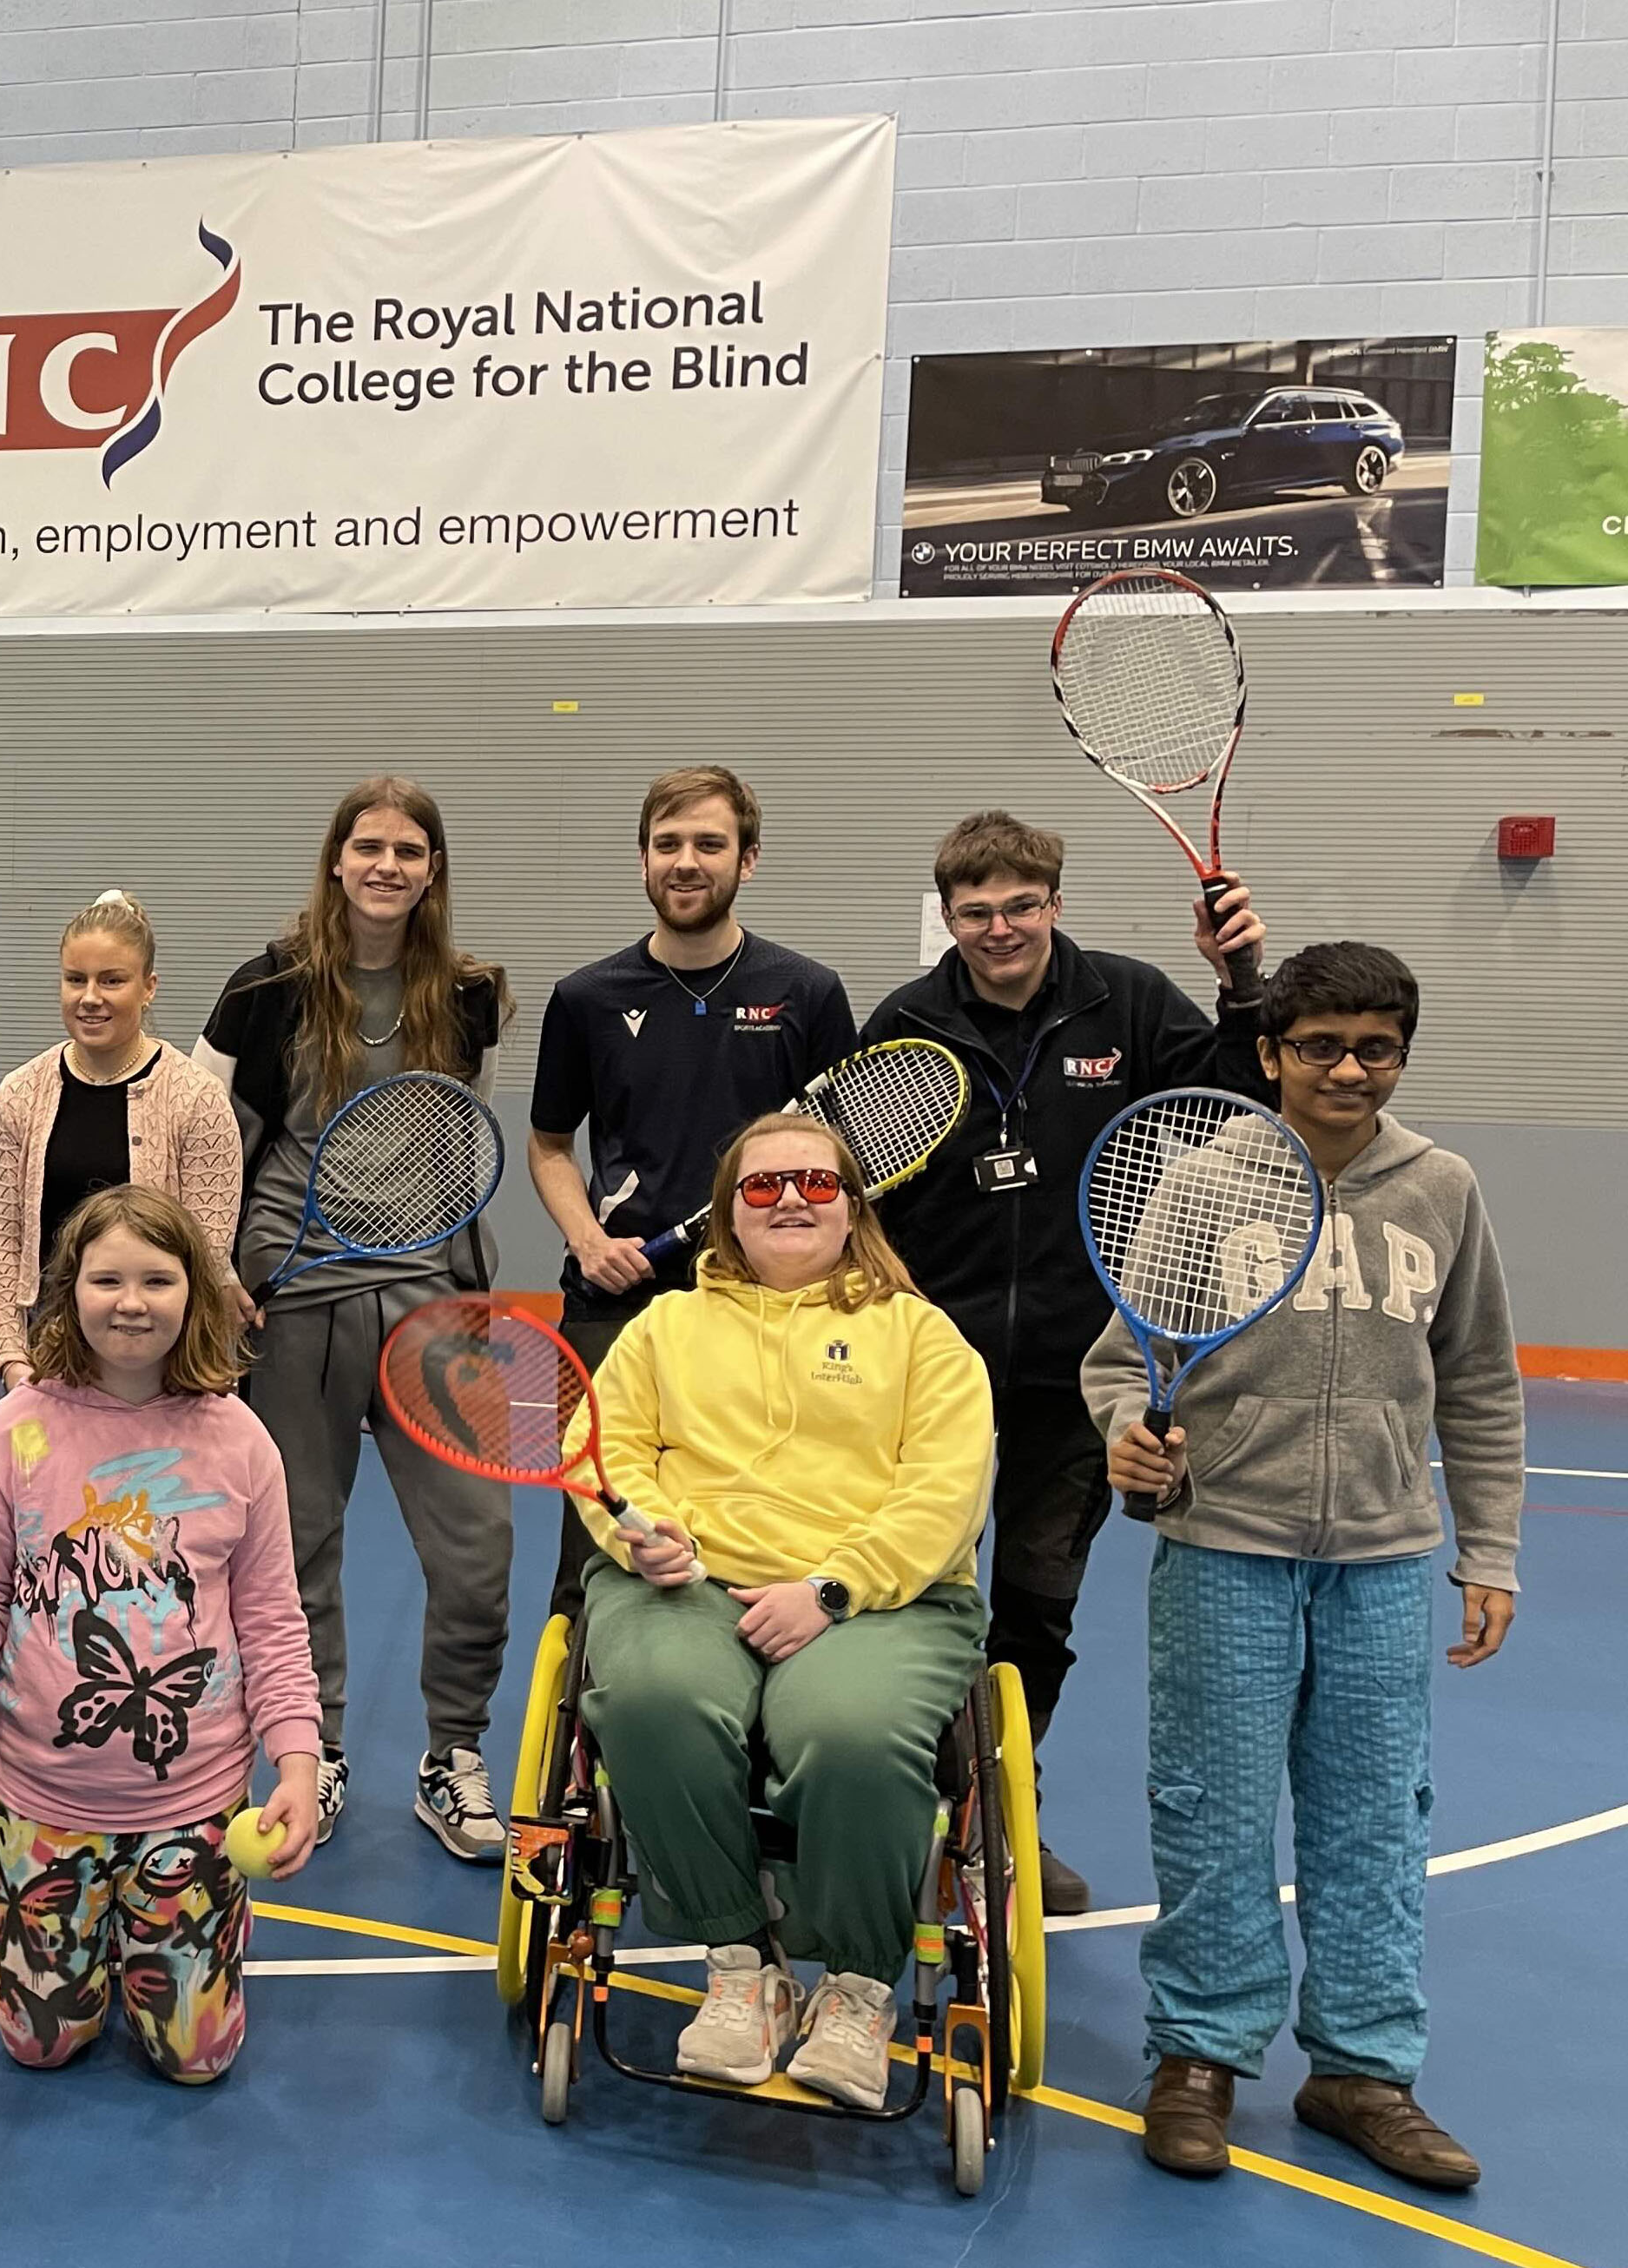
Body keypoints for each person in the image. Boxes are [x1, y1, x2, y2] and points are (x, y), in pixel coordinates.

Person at [1088, 943, 1521, 2193]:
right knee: (1211, 1808)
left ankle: (1361, 2070)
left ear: (1400, 1054)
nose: (1347, 1067)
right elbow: (1126, 1357)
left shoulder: (1442, 1187)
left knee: (1376, 1818)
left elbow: (1481, 1380)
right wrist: (1126, 1434)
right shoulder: (1197, 1183)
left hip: (1385, 1557)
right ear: (1271, 1054)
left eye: (1375, 1046)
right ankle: (1200, 2057)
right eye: (1320, 1044)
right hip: (1224, 1542)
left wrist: (1487, 1546)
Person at [856, 808, 1269, 1914]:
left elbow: (1239, 1109)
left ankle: (1000, 1809)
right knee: (911, 1593)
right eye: (977, 911)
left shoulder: (1126, 1001)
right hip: (929, 1373)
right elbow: (862, 1189)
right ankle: (909, 1804)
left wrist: (1243, 983)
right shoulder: (904, 1023)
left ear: (1055, 902)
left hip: (1079, 1374)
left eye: (1021, 905)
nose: (1000, 928)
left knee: (1036, 1606)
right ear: (947, 917)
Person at [577, 1113, 992, 2109]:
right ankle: (737, 1961)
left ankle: (855, 1987)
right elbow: (606, 1451)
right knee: (652, 1696)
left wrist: (833, 1588)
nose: (792, 1199)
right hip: (686, 1584)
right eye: (762, 1188)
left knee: (847, 1728)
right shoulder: (665, 1328)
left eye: (814, 1182)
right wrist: (644, 1531)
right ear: (727, 1217)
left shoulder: (923, 1336)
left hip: (879, 1599)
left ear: (853, 1208)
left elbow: (943, 1494)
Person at [0, 1183, 319, 2086]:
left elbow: (270, 1619)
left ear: (197, 1294)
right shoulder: (12, 1433)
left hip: (195, 1799)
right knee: (42, 2046)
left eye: (158, 1278)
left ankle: (194, 1928)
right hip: (40, 1795)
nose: (132, 1301)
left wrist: (296, 1762)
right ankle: (87, 1940)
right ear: (69, 1290)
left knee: (197, 2058)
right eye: (107, 1278)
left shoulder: (242, 1441)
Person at [196, 776, 513, 1860]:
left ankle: (452, 1755)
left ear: (433, 870)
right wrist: (215, 1269)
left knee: (478, 1546)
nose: (387, 865)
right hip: (300, 1297)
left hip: (437, 1303)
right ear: (336, 860)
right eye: (368, 846)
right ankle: (313, 1752)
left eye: (409, 850)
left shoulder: (469, 995)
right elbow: (206, 1140)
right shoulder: (265, 987)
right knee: (299, 1548)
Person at [0, 891, 242, 1875]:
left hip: (151, 1380)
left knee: (133, 1580)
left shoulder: (198, 1102)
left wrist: (161, 1365)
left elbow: (199, 1254)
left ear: (149, 987)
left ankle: (168, 1772)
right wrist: (16, 1362)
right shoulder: (20, 1093)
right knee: (16, 1581)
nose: (90, 995)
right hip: (41, 1376)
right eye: (75, 978)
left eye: (111, 979)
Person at [526, 765, 854, 1621]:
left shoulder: (809, 994)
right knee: (593, 1551)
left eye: (709, 842)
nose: (686, 861)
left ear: (748, 860)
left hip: (767, 1303)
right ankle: (579, 1737)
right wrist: (588, 1241)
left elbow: (841, 1160)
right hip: (616, 1303)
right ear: (642, 859)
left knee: (760, 1528)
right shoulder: (585, 998)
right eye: (667, 843)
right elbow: (552, 1146)